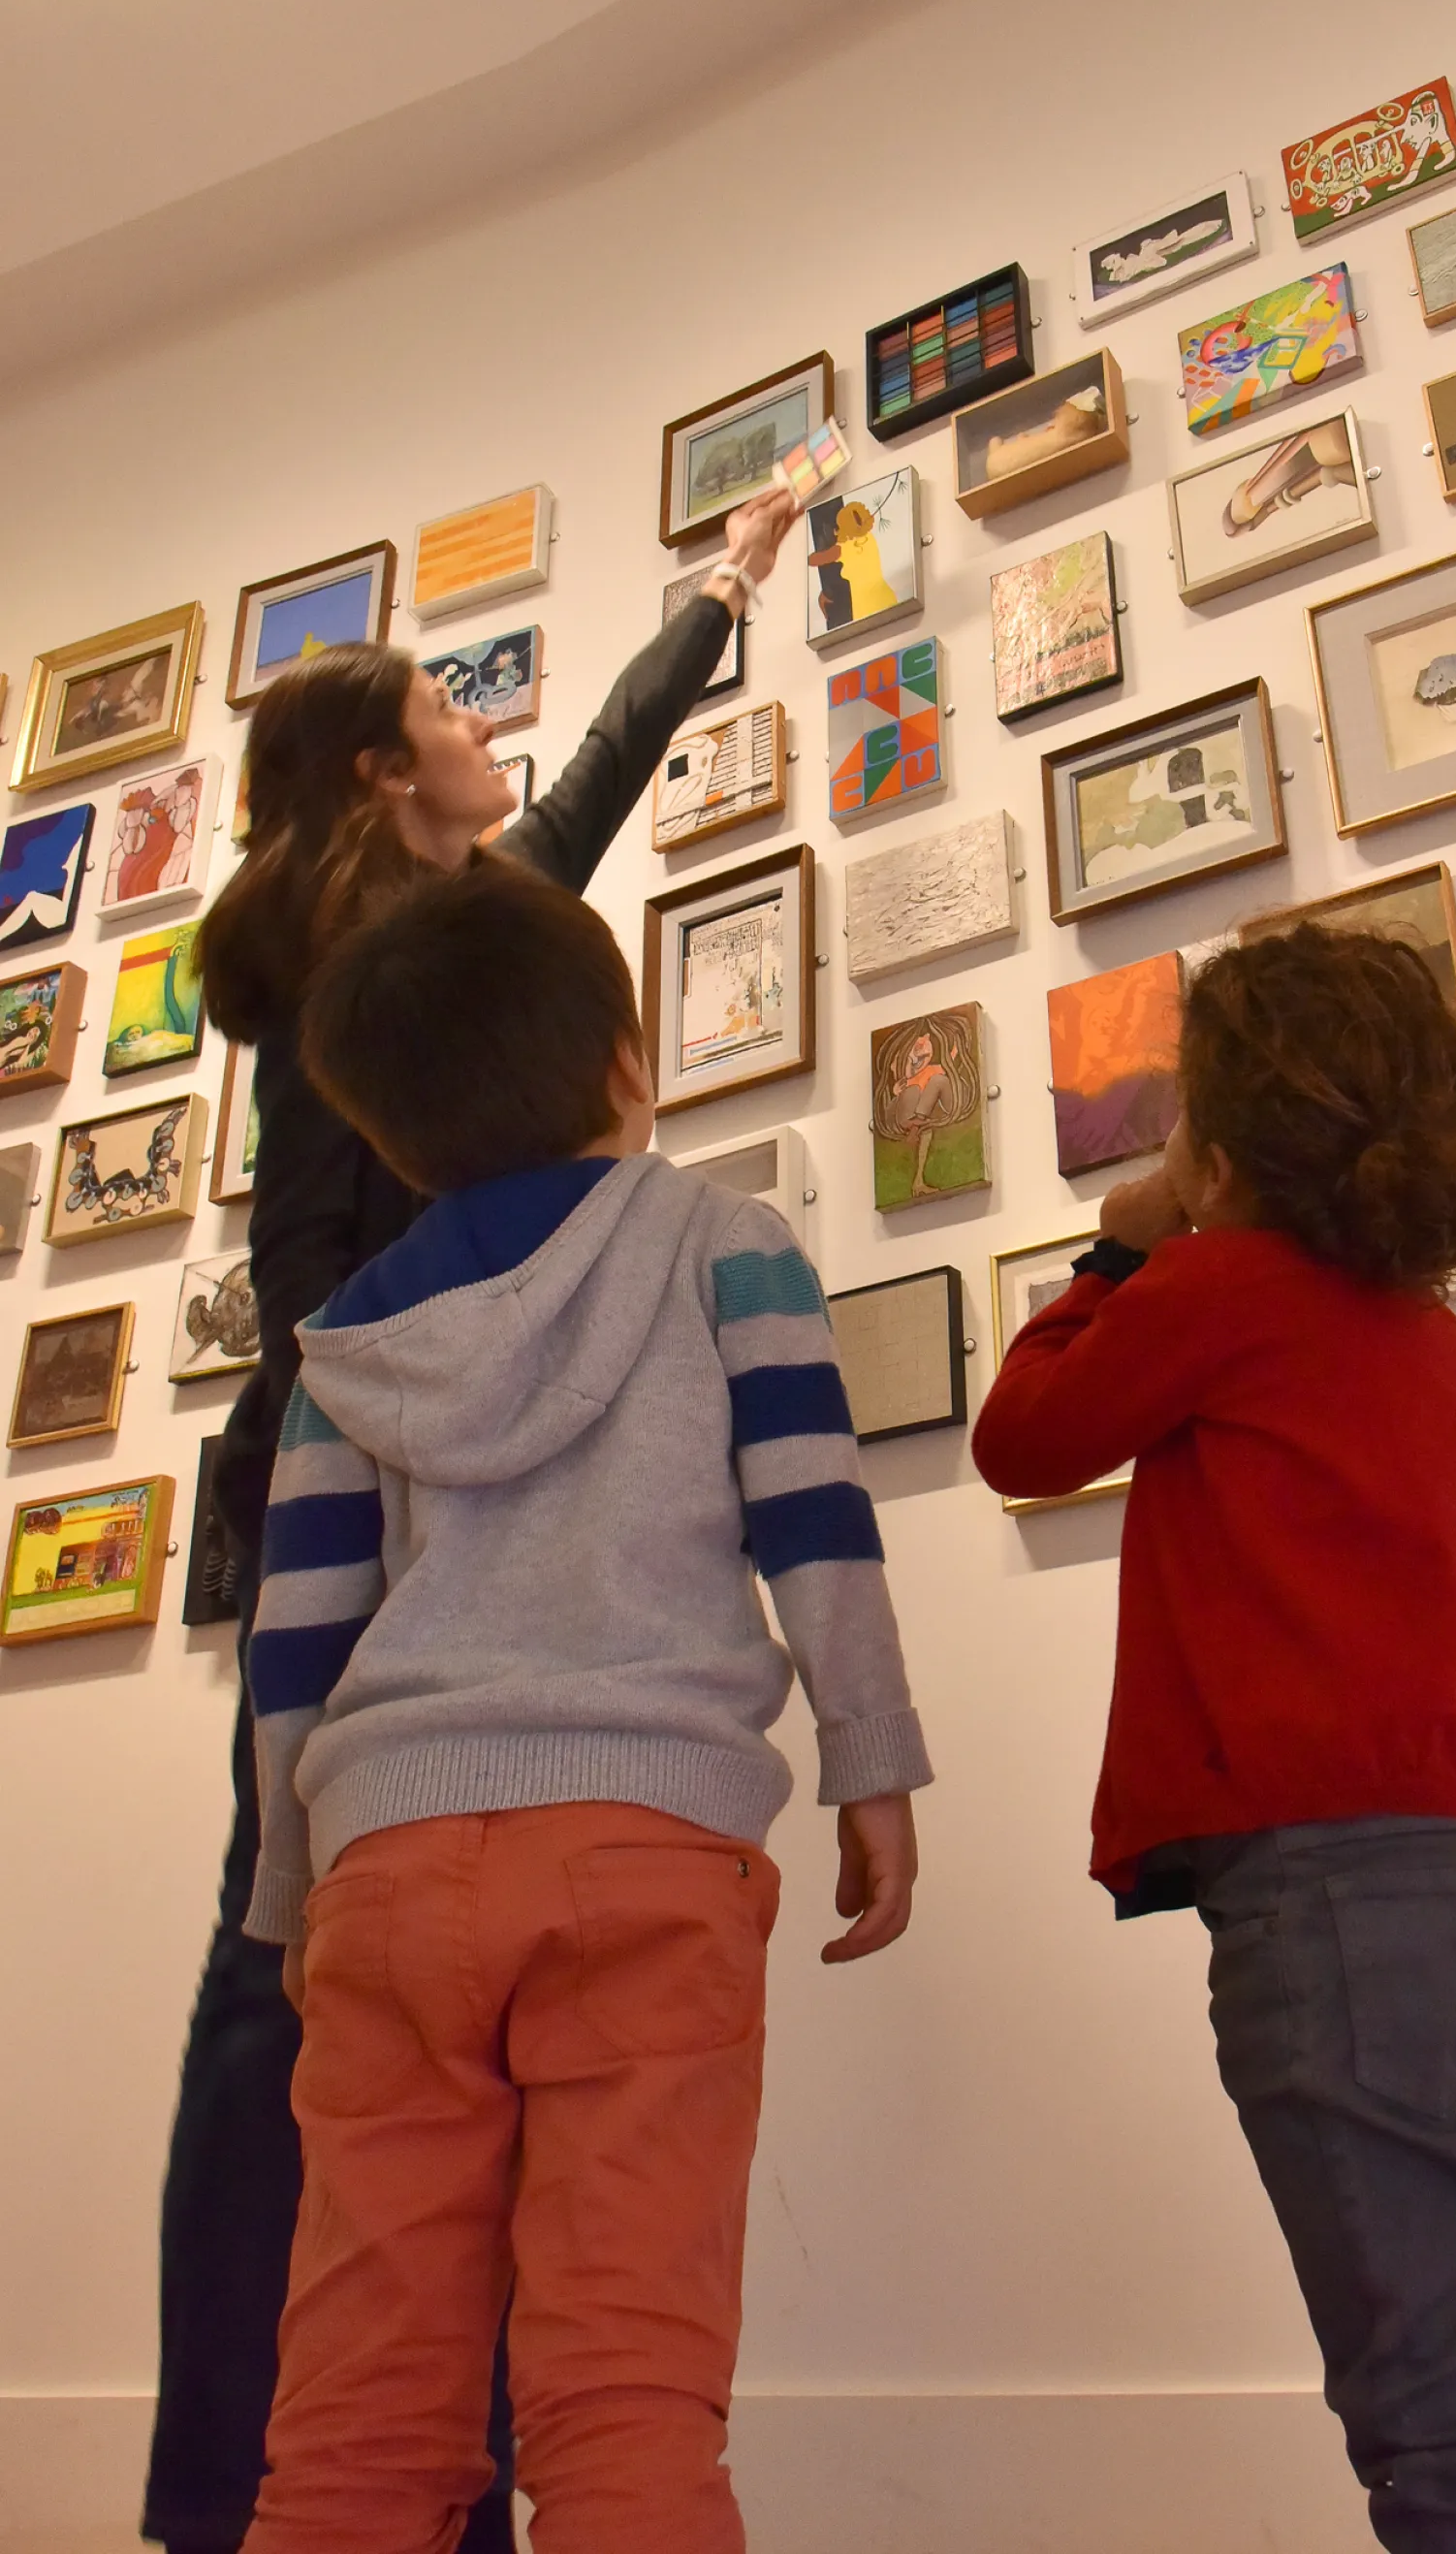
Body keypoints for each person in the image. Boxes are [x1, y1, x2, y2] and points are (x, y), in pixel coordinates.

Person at [143, 487, 797, 2554]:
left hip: (397, 1476)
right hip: (367, 1478)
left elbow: (593, 779)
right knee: (309, 1997)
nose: (477, 712)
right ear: (377, 766)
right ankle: (287, 2485)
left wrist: (721, 594)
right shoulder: (364, 977)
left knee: (371, 2011)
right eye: (444, 694)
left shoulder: (421, 955)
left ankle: (389, 2485)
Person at [237, 859, 929, 2554]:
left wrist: (286, 1893)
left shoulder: (351, 1344)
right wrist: (872, 1766)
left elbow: (297, 1643)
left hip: (387, 1872)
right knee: (625, 2388)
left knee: (357, 2410)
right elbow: (814, 1521)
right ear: (634, 1057)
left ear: (391, 1140)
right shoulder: (728, 1243)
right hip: (642, 1852)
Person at [969, 921, 1456, 2554]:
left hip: (1329, 1909)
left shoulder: (1218, 1287)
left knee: (1429, 2393)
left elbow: (1026, 1438)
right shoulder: (1416, 1329)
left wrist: (1117, 1251)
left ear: (1218, 1140)